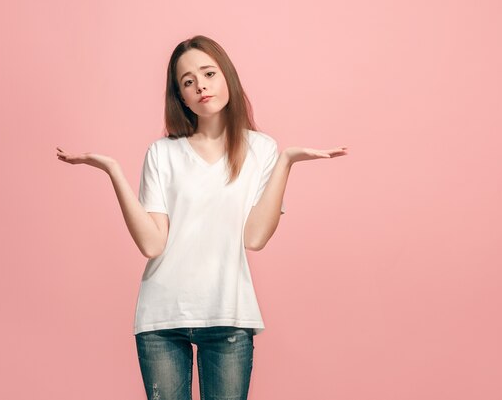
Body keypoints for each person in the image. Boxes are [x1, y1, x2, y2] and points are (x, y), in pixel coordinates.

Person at [56, 34, 347, 400]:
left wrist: (287, 161)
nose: (200, 86)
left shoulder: (262, 149)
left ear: (227, 76)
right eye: (188, 82)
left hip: (228, 314)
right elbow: (152, 243)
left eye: (208, 73)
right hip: (162, 319)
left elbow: (254, 238)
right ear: (180, 95)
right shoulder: (163, 153)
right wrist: (113, 171)